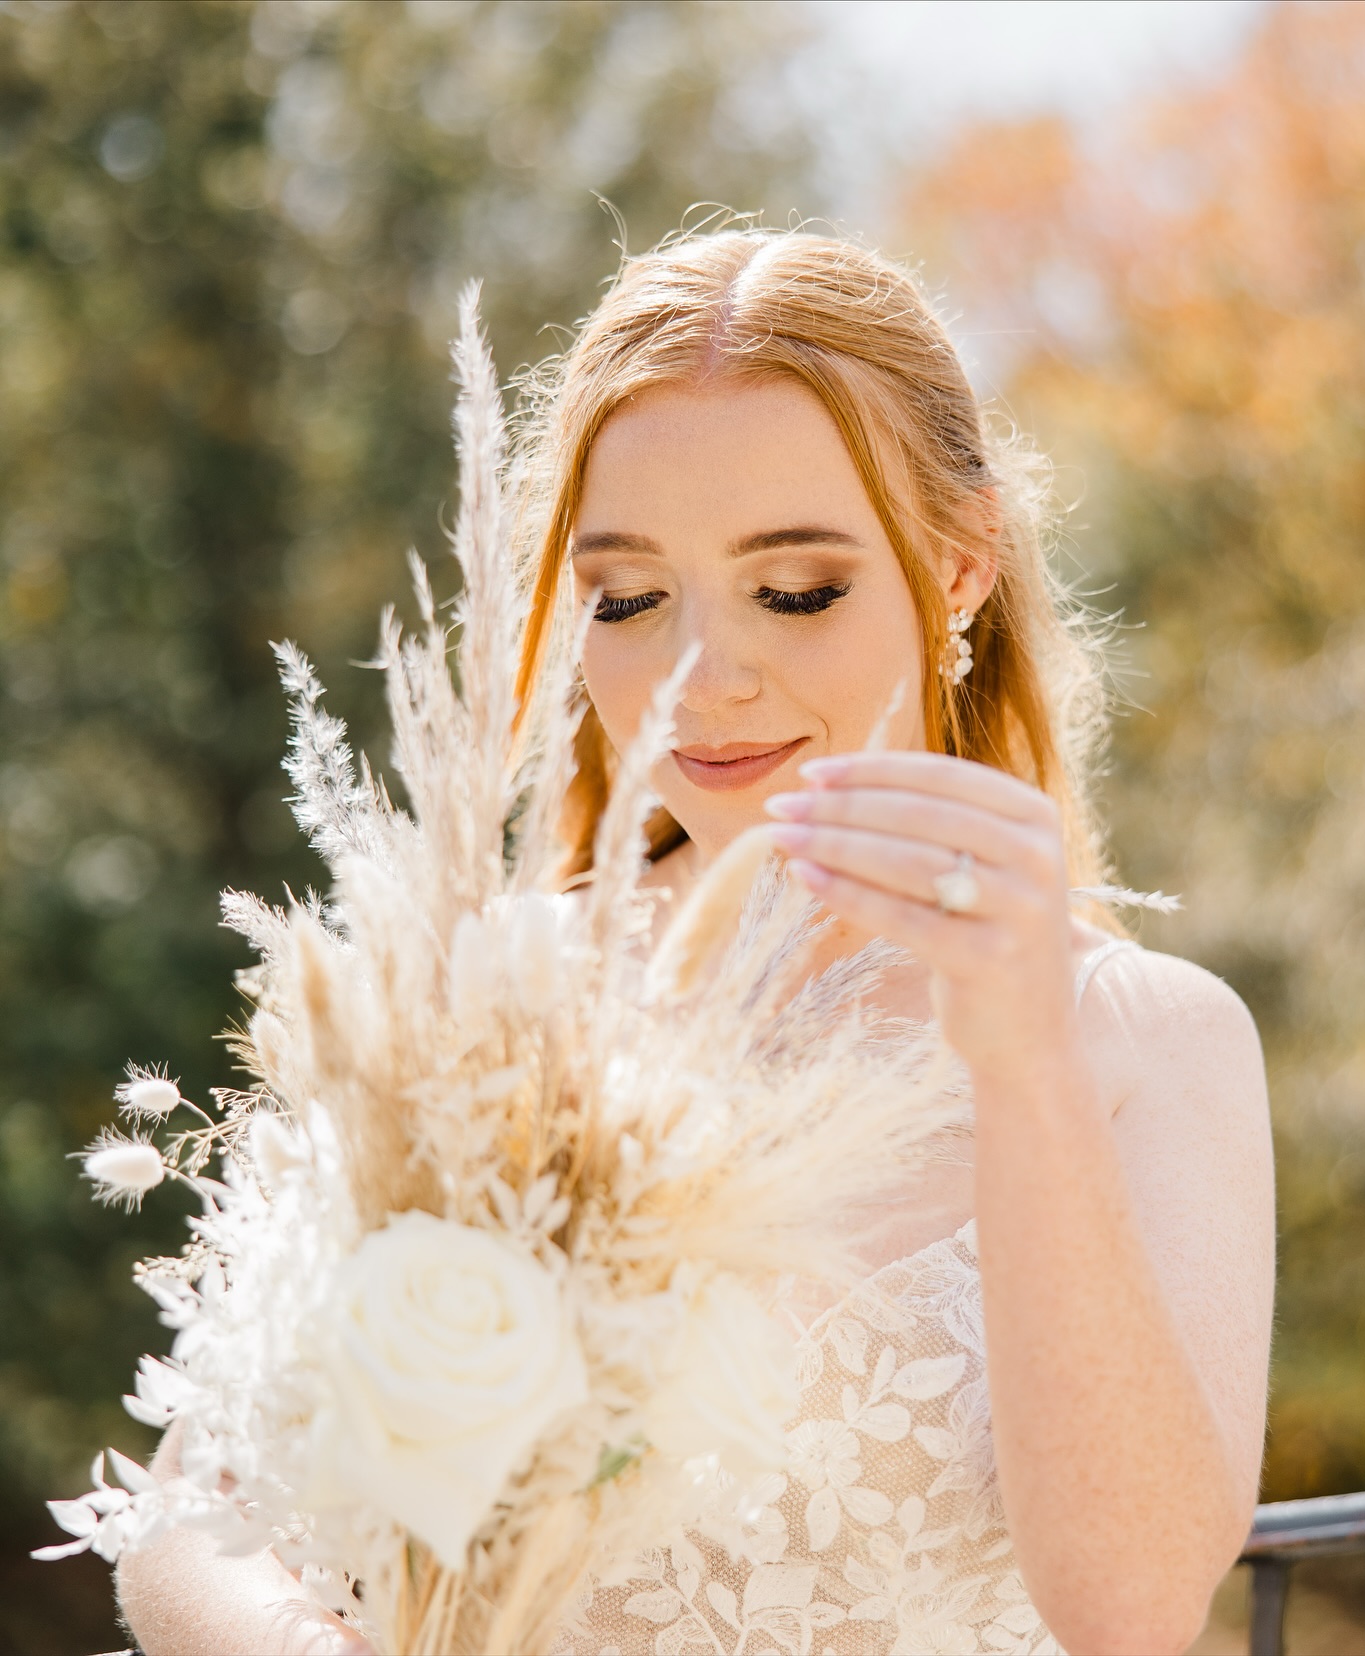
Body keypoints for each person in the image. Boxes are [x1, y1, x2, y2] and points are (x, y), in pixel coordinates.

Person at [117, 229, 1274, 1656]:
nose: (700, 681)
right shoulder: (470, 997)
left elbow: (1134, 1611)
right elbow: (191, 1514)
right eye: (629, 598)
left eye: (795, 590)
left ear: (960, 566)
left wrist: (1024, 1065)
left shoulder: (1152, 1041)